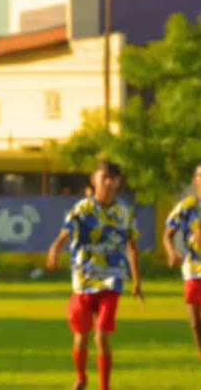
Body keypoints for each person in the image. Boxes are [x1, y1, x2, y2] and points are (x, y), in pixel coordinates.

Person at [46, 161, 143, 390]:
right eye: (104, 177)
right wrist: (54, 250)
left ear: (119, 182)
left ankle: (104, 387)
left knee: (101, 335)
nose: (108, 182)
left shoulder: (123, 213)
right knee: (81, 335)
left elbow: (132, 247)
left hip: (112, 279)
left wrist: (137, 281)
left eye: (113, 178)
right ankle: (81, 377)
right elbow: (65, 234)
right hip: (83, 280)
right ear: (93, 179)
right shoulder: (83, 209)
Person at [163, 164, 201, 361]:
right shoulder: (187, 207)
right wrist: (171, 253)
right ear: (196, 180)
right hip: (193, 270)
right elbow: (167, 234)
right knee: (195, 322)